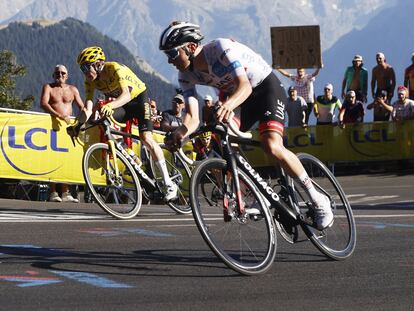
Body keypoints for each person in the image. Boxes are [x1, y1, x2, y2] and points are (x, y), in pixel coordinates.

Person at [159, 21, 333, 229]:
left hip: (263, 88)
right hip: (238, 98)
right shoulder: (185, 76)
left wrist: (228, 105)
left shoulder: (220, 49)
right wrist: (181, 132)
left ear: (191, 47)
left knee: (271, 145)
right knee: (220, 141)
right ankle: (254, 193)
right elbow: (193, 118)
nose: (170, 61)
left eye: (172, 54)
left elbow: (245, 86)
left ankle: (317, 199)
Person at [72, 46, 178, 201]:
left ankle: (169, 183)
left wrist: (110, 105)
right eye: (82, 68)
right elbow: (87, 108)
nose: (85, 72)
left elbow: (126, 95)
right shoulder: (90, 82)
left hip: (138, 100)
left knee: (146, 138)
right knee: (105, 124)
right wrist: (77, 125)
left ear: (98, 64)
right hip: (122, 105)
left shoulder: (114, 68)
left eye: (87, 67)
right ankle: (132, 156)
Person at [40, 64, 83, 203]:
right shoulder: (48, 87)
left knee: (67, 158)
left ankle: (65, 192)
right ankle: (53, 192)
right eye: (57, 73)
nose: (60, 75)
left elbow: (81, 107)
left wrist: (85, 118)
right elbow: (44, 103)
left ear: (67, 75)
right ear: (53, 75)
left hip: (68, 127)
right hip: (53, 126)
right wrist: (58, 115)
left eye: (63, 73)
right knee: (53, 158)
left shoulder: (73, 89)